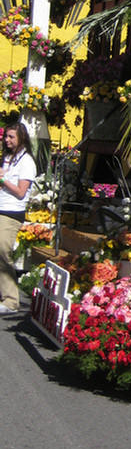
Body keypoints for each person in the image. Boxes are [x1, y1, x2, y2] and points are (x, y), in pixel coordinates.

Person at [0, 123, 37, 315]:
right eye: (6, 136)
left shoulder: (27, 162)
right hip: (1, 207)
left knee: (2, 252)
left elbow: (21, 192)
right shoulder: (6, 158)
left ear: (21, 138)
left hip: (11, 212)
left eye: (11, 137)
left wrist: (3, 180)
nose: (7, 140)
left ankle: (11, 300)